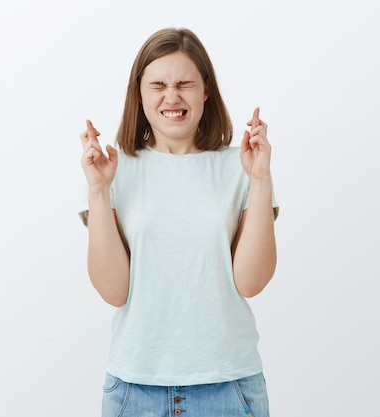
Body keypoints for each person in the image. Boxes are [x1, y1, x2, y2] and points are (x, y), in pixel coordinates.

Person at [79, 27, 279, 417]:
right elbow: (114, 291)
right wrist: (99, 192)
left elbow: (251, 282)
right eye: (158, 85)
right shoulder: (112, 167)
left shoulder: (241, 165)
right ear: (139, 93)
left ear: (206, 90)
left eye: (185, 83)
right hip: (134, 390)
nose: (172, 97)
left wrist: (260, 180)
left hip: (229, 385)